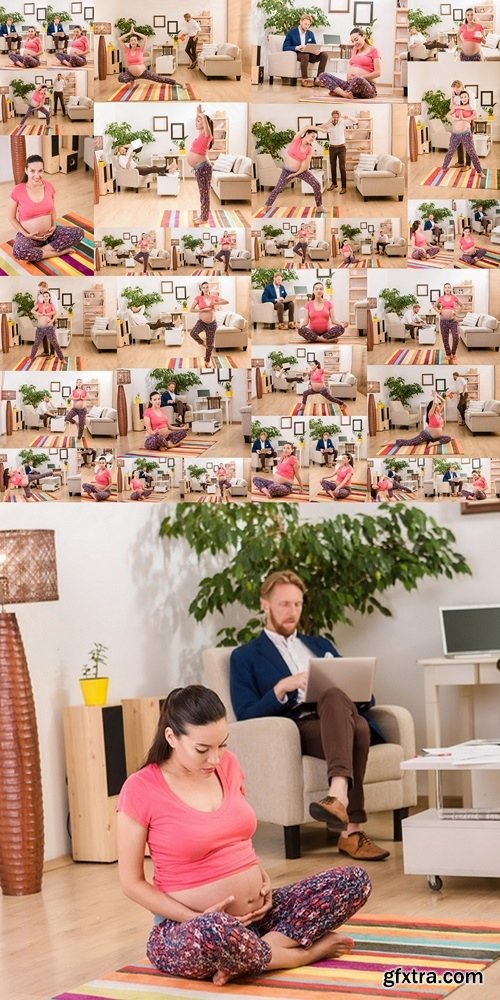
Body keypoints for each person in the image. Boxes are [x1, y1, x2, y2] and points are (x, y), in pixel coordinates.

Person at [117, 684, 371, 984]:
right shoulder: (140, 788)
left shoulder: (228, 766)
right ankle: (299, 955)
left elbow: (237, 838)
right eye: (203, 749)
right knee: (215, 930)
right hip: (189, 929)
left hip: (259, 920)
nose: (215, 759)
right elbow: (131, 883)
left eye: (222, 745)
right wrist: (195, 918)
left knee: (355, 880)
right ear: (171, 737)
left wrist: (261, 877)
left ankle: (249, 956)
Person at [231, 571, 389, 860]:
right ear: (264, 604)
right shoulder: (245, 656)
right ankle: (351, 831)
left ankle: (338, 796)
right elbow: (245, 715)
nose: (293, 612)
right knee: (360, 730)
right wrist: (282, 687)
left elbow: (366, 697)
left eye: (298, 604)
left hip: (340, 715)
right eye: (284, 604)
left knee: (340, 704)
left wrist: (352, 687)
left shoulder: (320, 645)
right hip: (298, 727)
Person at [8, 154, 84, 263]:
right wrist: (25, 234)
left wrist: (53, 225)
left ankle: (37, 253)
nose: (37, 175)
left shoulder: (49, 186)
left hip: (50, 234)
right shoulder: (17, 190)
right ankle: (59, 252)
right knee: (18, 251)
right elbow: (11, 217)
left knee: (79, 233)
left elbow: (52, 208)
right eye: (32, 171)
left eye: (40, 171)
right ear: (26, 170)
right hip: (29, 237)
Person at [264, 128, 324, 211]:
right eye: (312, 136)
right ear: (306, 134)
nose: (313, 139)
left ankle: (319, 206)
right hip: (287, 171)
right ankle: (267, 205)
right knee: (278, 188)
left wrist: (295, 174)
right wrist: (321, 129)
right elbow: (306, 126)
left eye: (315, 138)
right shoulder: (296, 140)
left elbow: (306, 166)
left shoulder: (310, 148)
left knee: (317, 185)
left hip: (301, 171)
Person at [316, 28, 380, 99]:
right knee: (322, 75)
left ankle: (340, 93)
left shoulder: (374, 50)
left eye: (356, 40)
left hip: (366, 87)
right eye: (352, 41)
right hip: (350, 84)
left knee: (358, 79)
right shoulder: (355, 49)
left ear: (364, 36)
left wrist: (361, 77)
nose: (354, 43)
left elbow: (378, 73)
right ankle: (345, 94)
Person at [441, 92, 484, 176]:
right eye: (462, 97)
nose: (464, 99)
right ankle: (443, 168)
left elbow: (475, 116)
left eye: (465, 97)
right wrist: (456, 118)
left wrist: (464, 118)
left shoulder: (470, 107)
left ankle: (480, 171)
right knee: (450, 152)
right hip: (455, 134)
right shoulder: (456, 107)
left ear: (468, 98)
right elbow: (448, 115)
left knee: (472, 153)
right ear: (460, 98)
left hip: (466, 134)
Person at [282, 14, 329, 87]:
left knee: (324, 54)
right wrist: (298, 47)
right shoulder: (291, 32)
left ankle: (318, 79)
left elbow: (314, 45)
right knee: (305, 55)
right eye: (305, 24)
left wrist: (316, 51)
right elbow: (285, 47)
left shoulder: (310, 33)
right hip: (299, 54)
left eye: (308, 25)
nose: (307, 26)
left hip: (310, 54)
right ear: (300, 22)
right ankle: (304, 79)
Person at [189, 281, 229, 365]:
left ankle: (207, 361)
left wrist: (216, 303)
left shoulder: (213, 297)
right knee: (193, 333)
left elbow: (226, 302)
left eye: (207, 287)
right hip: (202, 322)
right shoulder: (198, 298)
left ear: (209, 288)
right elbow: (191, 309)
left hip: (212, 324)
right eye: (204, 287)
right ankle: (202, 343)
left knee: (210, 345)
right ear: (201, 289)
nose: (206, 289)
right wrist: (201, 310)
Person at [318, 110, 356, 194]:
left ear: (338, 117)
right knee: (333, 166)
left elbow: (355, 121)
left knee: (342, 167)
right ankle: (334, 184)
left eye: (336, 117)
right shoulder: (329, 125)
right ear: (332, 117)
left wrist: (347, 116)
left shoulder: (342, 122)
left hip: (341, 148)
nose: (335, 119)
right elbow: (319, 128)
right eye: (334, 117)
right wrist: (328, 122)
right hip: (332, 148)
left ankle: (344, 187)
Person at [188, 105, 214, 226]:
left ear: (205, 123)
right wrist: (198, 111)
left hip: (203, 168)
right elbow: (199, 117)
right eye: (196, 121)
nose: (196, 122)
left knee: (204, 194)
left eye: (198, 121)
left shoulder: (207, 135)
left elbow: (205, 124)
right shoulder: (200, 134)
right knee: (202, 193)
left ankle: (204, 218)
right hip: (200, 168)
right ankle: (203, 215)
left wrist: (202, 116)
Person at [30, 290, 64, 363]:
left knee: (55, 343)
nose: (45, 297)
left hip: (49, 328)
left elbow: (56, 312)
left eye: (47, 296)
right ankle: (31, 358)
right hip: (40, 328)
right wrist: (40, 313)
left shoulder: (52, 305)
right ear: (43, 297)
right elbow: (32, 310)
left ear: (49, 297)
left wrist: (51, 320)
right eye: (44, 296)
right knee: (36, 343)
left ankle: (62, 359)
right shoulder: (39, 305)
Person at [449, 80, 475, 168]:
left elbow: (471, 107)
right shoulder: (455, 96)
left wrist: (458, 106)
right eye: (454, 90)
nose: (456, 92)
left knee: (468, 143)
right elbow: (451, 108)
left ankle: (468, 164)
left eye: (457, 90)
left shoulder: (469, 94)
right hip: (458, 122)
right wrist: (452, 99)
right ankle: (460, 162)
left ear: (462, 87)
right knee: (458, 142)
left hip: (467, 121)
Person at [433, 282, 460, 363]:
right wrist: (439, 311)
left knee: (456, 337)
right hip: (443, 321)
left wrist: (457, 312)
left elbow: (463, 306)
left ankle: (453, 353)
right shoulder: (441, 298)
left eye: (449, 287)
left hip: (453, 321)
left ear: (451, 289)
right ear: (444, 289)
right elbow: (434, 306)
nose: (447, 289)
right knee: (445, 338)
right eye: (446, 287)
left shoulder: (454, 297)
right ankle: (448, 354)